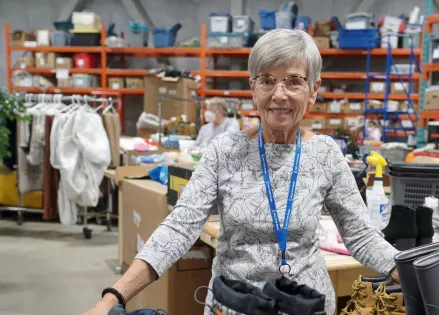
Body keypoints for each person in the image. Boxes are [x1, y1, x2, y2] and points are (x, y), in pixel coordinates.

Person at [82, 29, 399, 315]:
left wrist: (417, 273)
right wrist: (112, 297)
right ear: (253, 87)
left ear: (313, 89)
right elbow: (179, 228)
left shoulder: (326, 154)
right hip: (234, 305)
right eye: (267, 80)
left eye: (293, 81)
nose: (279, 94)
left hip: (304, 305)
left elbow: (361, 235)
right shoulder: (224, 151)